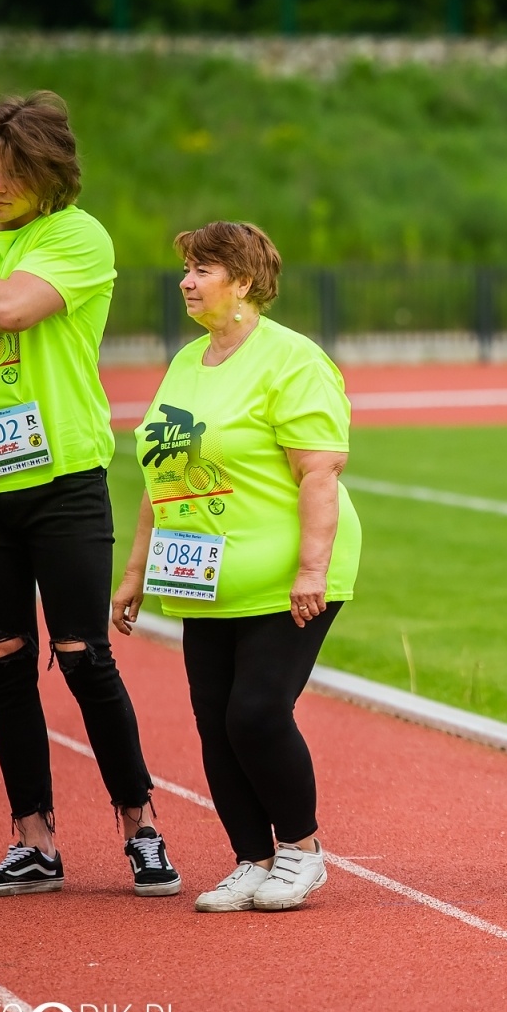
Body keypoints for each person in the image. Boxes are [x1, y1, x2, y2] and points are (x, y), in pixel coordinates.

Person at [0, 92, 181, 898]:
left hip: (63, 480)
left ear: (50, 177)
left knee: (81, 655)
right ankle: (32, 842)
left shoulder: (76, 236)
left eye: (12, 172)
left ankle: (140, 825)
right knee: (2, 661)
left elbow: (8, 307)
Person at [111, 221, 361, 913]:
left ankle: (301, 852)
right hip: (199, 574)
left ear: (244, 282)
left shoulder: (293, 360)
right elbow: (163, 478)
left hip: (285, 572)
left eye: (203, 270)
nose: (186, 282)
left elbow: (319, 472)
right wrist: (134, 571)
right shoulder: (186, 362)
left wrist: (311, 570)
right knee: (214, 720)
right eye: (186, 269)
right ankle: (250, 859)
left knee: (254, 713)